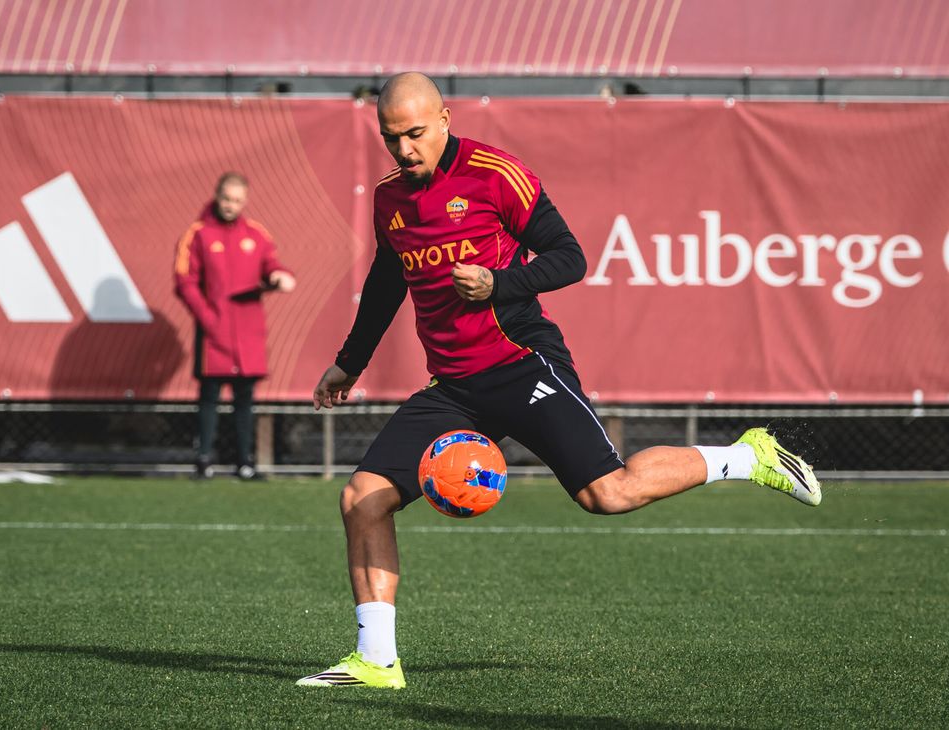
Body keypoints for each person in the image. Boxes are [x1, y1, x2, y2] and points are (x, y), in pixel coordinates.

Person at [296, 73, 821, 690]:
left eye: (415, 133)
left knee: (608, 493)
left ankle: (746, 455)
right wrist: (350, 363)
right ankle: (377, 662)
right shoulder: (390, 196)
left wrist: (499, 283)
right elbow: (389, 279)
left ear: (444, 117)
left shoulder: (496, 173)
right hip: (455, 385)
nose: (405, 150)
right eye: (391, 139)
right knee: (362, 498)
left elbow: (570, 257)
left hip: (521, 364)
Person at [174, 172, 295, 480]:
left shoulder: (256, 234)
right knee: (209, 397)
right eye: (227, 199)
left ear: (245, 201)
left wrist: (279, 275)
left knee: (245, 400)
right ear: (217, 196)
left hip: (248, 333)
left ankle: (245, 462)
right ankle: (204, 460)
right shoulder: (198, 234)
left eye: (238, 200)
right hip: (214, 333)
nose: (231, 205)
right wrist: (208, 317)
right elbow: (184, 282)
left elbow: (272, 264)